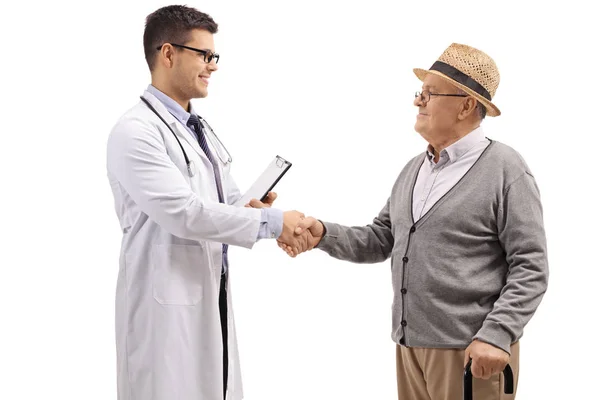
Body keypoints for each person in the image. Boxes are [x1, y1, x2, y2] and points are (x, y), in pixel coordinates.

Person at [280, 43, 549, 400]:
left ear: (466, 105)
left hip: (473, 351)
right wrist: (323, 234)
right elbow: (382, 239)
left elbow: (531, 266)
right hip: (410, 348)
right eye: (420, 92)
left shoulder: (506, 168)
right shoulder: (414, 168)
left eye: (429, 93)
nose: (417, 101)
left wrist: (497, 334)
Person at [106, 5, 308, 400]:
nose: (213, 65)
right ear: (168, 54)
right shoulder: (135, 132)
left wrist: (254, 208)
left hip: (206, 296)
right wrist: (273, 222)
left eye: (213, 56)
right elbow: (184, 213)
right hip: (161, 311)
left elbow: (224, 200)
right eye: (205, 55)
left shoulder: (197, 129)